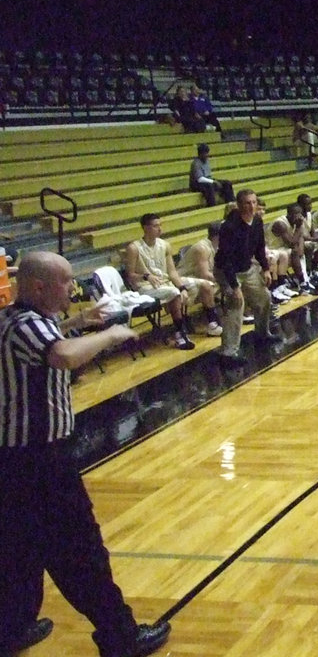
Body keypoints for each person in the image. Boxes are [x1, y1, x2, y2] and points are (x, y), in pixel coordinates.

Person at [0, 251, 171, 657]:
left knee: (19, 550)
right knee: (81, 551)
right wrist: (110, 336)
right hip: (39, 462)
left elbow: (50, 336)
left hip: (16, 462)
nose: (72, 289)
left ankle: (10, 629)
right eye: (65, 282)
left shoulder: (17, 318)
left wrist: (76, 323)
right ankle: (120, 637)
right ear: (39, 286)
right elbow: (62, 355)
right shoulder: (26, 327)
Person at [214, 189, 278, 366]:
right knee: (236, 305)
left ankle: (262, 334)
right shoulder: (229, 227)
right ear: (239, 204)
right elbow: (226, 260)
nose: (251, 206)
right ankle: (228, 352)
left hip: (246, 268)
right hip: (227, 271)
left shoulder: (257, 221)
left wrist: (265, 269)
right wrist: (235, 287)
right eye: (247, 203)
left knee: (264, 297)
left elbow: (259, 247)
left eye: (254, 202)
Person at [124, 214, 205, 348]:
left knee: (192, 287)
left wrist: (182, 287)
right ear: (145, 228)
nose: (160, 229)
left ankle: (191, 326)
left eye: (160, 225)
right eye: (156, 226)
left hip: (164, 283)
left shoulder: (165, 245)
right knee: (174, 293)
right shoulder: (134, 248)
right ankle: (180, 332)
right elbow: (130, 275)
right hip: (144, 287)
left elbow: (172, 272)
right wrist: (146, 276)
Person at [189, 143, 234, 208]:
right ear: (200, 154)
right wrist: (213, 181)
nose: (207, 155)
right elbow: (200, 178)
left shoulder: (207, 161)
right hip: (197, 184)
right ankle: (212, 205)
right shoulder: (196, 163)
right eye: (205, 153)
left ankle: (230, 202)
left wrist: (213, 181)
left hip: (207, 180)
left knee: (227, 183)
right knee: (209, 186)